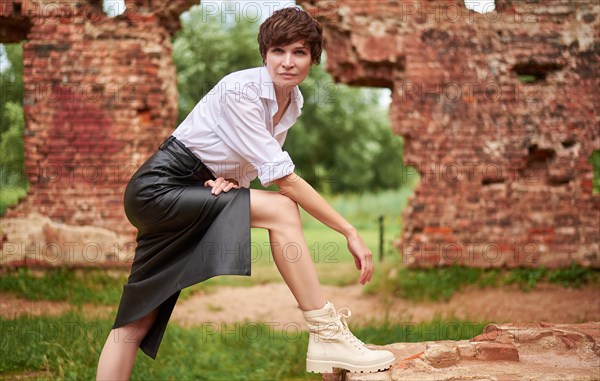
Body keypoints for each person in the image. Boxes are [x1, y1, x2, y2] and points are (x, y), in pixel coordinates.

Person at [96, 7, 395, 380]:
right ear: (265, 54)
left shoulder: (292, 102)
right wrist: (349, 230)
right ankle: (326, 333)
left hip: (193, 187)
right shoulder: (242, 89)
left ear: (313, 59)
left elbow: (251, 165)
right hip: (158, 188)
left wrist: (230, 181)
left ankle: (329, 345)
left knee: (137, 319)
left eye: (299, 52)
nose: (287, 62)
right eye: (278, 51)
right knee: (284, 209)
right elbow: (283, 179)